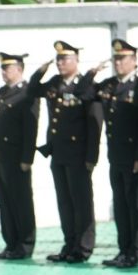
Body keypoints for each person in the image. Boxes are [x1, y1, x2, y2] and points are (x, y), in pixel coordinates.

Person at [27, 40, 102, 263]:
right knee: (65, 202)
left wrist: (91, 157)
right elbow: (33, 90)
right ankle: (69, 244)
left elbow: (94, 123)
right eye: (58, 59)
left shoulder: (85, 86)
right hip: (58, 152)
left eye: (65, 59)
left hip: (78, 153)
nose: (60, 63)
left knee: (82, 202)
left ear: (76, 60)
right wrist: (41, 70)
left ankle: (83, 248)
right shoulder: (54, 83)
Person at [0, 52, 39, 260]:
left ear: (19, 69)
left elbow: (31, 128)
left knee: (21, 202)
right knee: (5, 201)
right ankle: (10, 243)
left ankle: (25, 245)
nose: (3, 72)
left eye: (7, 68)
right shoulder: (3, 91)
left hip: (15, 157)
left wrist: (27, 159)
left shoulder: (28, 92)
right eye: (2, 68)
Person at [94, 39, 138, 268]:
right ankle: (124, 249)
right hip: (116, 156)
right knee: (121, 205)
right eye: (115, 59)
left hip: (134, 157)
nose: (118, 63)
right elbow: (84, 91)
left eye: (122, 59)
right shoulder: (110, 86)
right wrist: (92, 72)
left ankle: (137, 251)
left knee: (137, 207)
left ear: (134, 61)